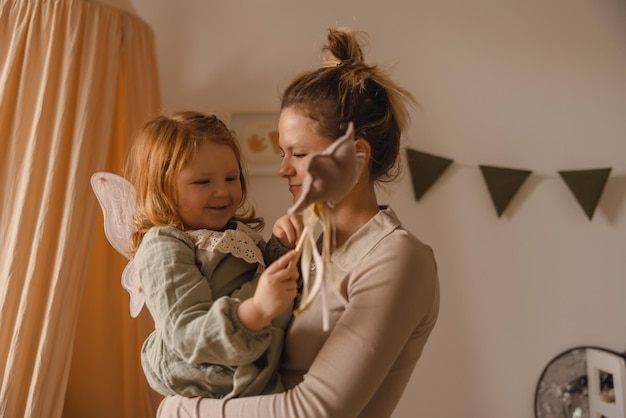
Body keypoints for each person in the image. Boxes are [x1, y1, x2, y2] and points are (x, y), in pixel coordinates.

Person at [157, 27, 440, 418]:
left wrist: (180, 410)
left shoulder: (396, 259)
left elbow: (316, 409)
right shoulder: (301, 244)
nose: (283, 169)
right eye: (282, 153)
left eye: (299, 153)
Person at [125, 110, 301, 399]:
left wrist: (281, 245)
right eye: (203, 182)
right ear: (164, 187)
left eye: (231, 178)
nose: (222, 191)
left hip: (254, 370)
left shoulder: (235, 234)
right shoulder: (163, 245)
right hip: (207, 376)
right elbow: (186, 331)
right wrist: (255, 311)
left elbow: (257, 277)